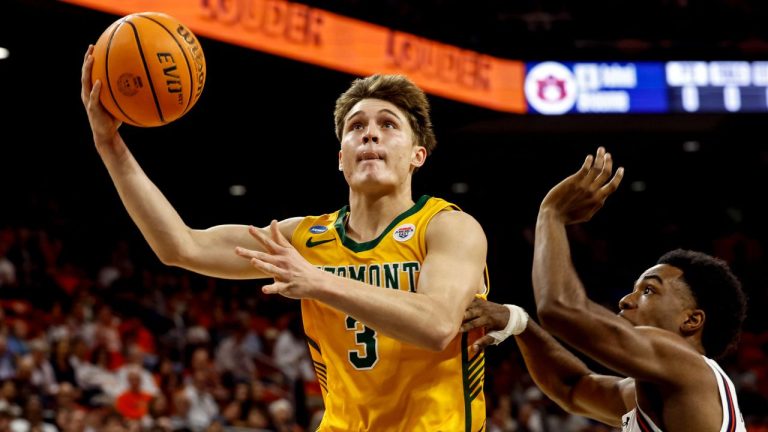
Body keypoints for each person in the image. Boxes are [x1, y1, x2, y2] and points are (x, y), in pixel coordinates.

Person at [81, 45, 489, 431]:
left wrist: (318, 281)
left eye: (388, 124)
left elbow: (437, 325)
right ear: (341, 157)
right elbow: (181, 246)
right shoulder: (305, 238)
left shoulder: (447, 227)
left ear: (418, 155)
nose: (370, 134)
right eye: (356, 126)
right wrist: (110, 144)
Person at [462, 147, 748, 431]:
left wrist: (552, 215)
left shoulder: (688, 368)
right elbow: (572, 389)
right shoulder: (658, 391)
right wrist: (520, 324)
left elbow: (561, 309)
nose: (625, 300)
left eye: (648, 290)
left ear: (691, 319)